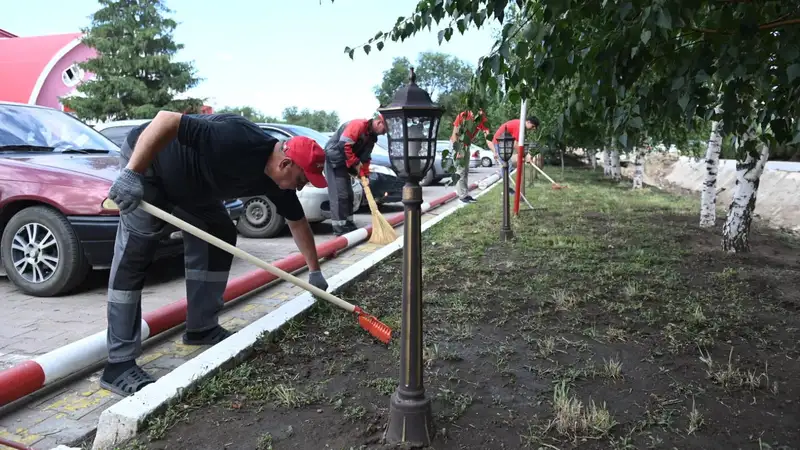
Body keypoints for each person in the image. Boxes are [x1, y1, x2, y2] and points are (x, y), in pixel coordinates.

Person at [101, 112, 330, 397]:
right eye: (301, 179)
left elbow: (298, 223)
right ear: (285, 163)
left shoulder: (277, 181)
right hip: (150, 166)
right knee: (136, 252)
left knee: (220, 233)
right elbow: (165, 120)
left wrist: (315, 271)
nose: (301, 186)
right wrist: (132, 173)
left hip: (190, 189)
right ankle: (118, 364)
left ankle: (202, 328)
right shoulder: (235, 139)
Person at [323, 115, 387, 235]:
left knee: (349, 195)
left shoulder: (372, 137)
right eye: (384, 130)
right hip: (335, 160)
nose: (384, 134)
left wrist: (365, 174)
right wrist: (355, 163)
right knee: (340, 195)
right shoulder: (358, 125)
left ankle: (348, 224)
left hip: (345, 162)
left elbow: (366, 158)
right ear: (379, 123)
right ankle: (339, 229)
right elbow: (344, 145)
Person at [486, 116, 540, 193]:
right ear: (528, 122)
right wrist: (525, 155)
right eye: (533, 126)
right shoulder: (519, 126)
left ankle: (507, 188)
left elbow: (518, 143)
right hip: (500, 143)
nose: (533, 129)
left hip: (505, 143)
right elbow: (516, 144)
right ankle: (506, 190)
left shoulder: (520, 125)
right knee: (506, 166)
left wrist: (524, 154)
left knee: (508, 165)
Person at [450, 109, 490, 203]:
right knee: (460, 170)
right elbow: (454, 134)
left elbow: (487, 135)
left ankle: (465, 194)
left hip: (467, 145)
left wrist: (494, 150)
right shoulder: (462, 116)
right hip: (457, 144)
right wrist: (458, 150)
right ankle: (462, 197)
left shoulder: (481, 118)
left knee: (465, 170)